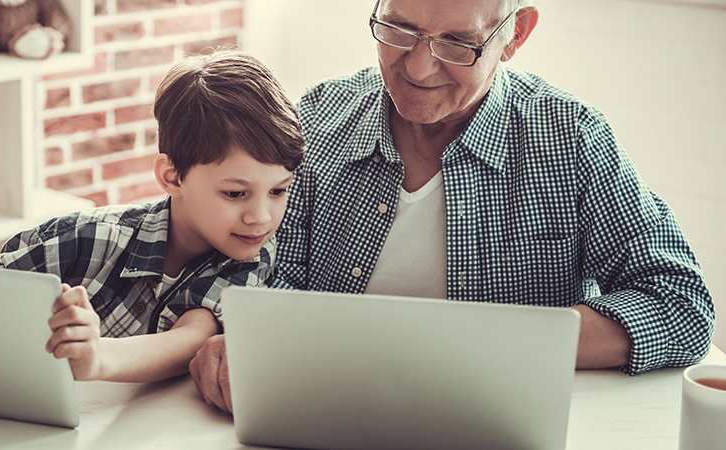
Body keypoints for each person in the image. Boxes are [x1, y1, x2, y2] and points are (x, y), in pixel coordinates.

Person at [189, 0, 715, 413]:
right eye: (398, 29)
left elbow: (680, 305)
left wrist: (479, 348)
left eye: (458, 43)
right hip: (324, 408)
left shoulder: (572, 137)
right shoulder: (318, 117)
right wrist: (239, 337)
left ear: (516, 34)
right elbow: (258, 270)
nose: (418, 66)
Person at [0, 50, 305, 383]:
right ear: (172, 176)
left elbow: (188, 339)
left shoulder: (250, 260)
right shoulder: (78, 240)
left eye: (279, 190)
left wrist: (97, 358)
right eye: (235, 192)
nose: (261, 217)